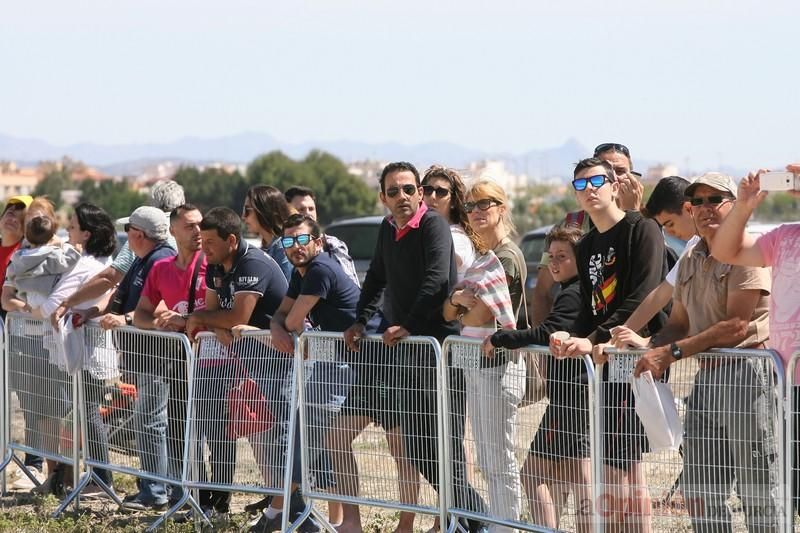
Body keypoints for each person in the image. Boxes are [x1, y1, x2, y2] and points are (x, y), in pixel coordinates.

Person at [625, 172, 778, 532]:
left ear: (734, 204)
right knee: (700, 488)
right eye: (698, 202)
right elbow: (679, 320)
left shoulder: (746, 250)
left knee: (758, 490)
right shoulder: (691, 254)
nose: (706, 208)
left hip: (747, 375)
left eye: (716, 199)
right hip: (706, 377)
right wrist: (653, 349)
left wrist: (670, 354)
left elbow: (735, 327)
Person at [343, 161, 487, 533]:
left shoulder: (434, 225)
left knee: (446, 446)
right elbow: (375, 277)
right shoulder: (387, 229)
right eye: (394, 191)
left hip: (437, 349)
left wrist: (408, 324)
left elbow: (437, 278)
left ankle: (476, 521)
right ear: (383, 197)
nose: (402, 197)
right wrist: (360, 320)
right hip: (407, 352)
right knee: (422, 449)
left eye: (409, 189)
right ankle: (472, 518)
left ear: (419, 194)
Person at [551, 157, 668, 532]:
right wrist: (574, 335)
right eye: (580, 185)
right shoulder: (586, 245)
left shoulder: (642, 228)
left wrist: (595, 339)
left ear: (615, 184)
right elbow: (589, 304)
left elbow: (645, 294)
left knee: (617, 470)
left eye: (597, 181)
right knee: (624, 470)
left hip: (633, 359)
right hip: (604, 364)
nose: (589, 191)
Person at [246, 213, 358, 532]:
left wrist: (283, 329)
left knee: (407, 448)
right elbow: (280, 316)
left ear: (318, 243)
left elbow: (293, 322)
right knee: (309, 434)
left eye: (301, 239)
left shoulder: (320, 268)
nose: (294, 247)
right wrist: (277, 328)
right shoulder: (301, 272)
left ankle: (281, 512)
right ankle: (292, 512)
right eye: (288, 241)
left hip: (362, 362)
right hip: (335, 360)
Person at [482, 226, 590, 532]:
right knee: (575, 472)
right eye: (550, 256)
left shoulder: (573, 293)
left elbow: (544, 331)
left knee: (533, 474)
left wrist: (502, 337)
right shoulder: (572, 290)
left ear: (580, 259)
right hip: (574, 393)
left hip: (572, 395)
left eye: (563, 257)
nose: (554, 263)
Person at [131, 203, 234, 519]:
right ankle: (194, 497)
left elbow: (229, 312)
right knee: (178, 432)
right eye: (189, 226)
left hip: (216, 364)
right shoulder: (161, 269)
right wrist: (164, 324)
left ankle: (219, 503)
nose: (197, 232)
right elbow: (140, 314)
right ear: (173, 230)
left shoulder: (214, 266)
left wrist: (185, 319)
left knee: (217, 435)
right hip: (178, 363)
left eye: (200, 225)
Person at [709, 163, 800, 518]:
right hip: (787, 387)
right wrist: (744, 206)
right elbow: (725, 251)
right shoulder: (784, 236)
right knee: (792, 493)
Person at [443, 179, 526, 531]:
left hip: (499, 365)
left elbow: (479, 314)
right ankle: (500, 522)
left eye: (484, 204)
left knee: (499, 457)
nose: (476, 212)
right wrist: (457, 302)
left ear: (501, 208)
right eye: (471, 206)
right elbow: (450, 313)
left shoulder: (505, 256)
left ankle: (507, 525)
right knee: (489, 459)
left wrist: (458, 301)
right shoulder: (484, 256)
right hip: (480, 365)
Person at [81, 206, 177, 510]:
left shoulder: (160, 260)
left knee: (152, 422)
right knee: (147, 421)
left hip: (155, 354)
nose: (125, 236)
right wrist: (94, 312)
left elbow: (163, 307)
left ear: (138, 234)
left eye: (128, 231)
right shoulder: (144, 259)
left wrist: (126, 320)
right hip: (142, 352)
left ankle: (157, 490)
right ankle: (153, 486)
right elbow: (119, 295)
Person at [2, 198, 78, 495]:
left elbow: (71, 291)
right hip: (26, 341)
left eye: (36, 216)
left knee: (63, 409)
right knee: (38, 411)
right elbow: (6, 298)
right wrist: (29, 309)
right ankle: (52, 474)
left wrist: (43, 309)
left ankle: (68, 474)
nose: (30, 221)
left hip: (56, 344)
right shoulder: (20, 256)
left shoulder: (64, 253)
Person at [44, 202, 119, 498]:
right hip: (84, 349)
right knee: (85, 413)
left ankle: (102, 478)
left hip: (88, 352)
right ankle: (97, 476)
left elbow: (51, 306)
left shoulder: (88, 265)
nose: (67, 231)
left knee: (89, 414)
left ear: (86, 234)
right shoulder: (92, 262)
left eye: (72, 226)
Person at [531, 142, 643, 326]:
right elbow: (542, 290)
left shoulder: (646, 225)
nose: (612, 175)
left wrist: (634, 214)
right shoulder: (571, 225)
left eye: (620, 170)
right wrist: (540, 349)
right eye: (604, 170)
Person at [54, 180, 183, 317]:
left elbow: (109, 278)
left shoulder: (152, 246)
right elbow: (119, 290)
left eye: (128, 228)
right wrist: (91, 312)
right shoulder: (186, 231)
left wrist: (68, 303)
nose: (127, 233)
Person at [615, 176, 699, 334]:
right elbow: (659, 296)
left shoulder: (720, 244)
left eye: (670, 223)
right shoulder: (693, 247)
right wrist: (617, 338)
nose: (669, 232)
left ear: (689, 209)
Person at [285, 185, 359, 287]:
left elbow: (351, 285)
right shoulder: (283, 246)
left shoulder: (331, 245)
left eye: (311, 209)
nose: (308, 214)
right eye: (301, 209)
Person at [242, 185, 294, 281]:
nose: (243, 217)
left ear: (264, 211)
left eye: (247, 211)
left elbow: (286, 291)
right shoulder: (266, 248)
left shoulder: (283, 248)